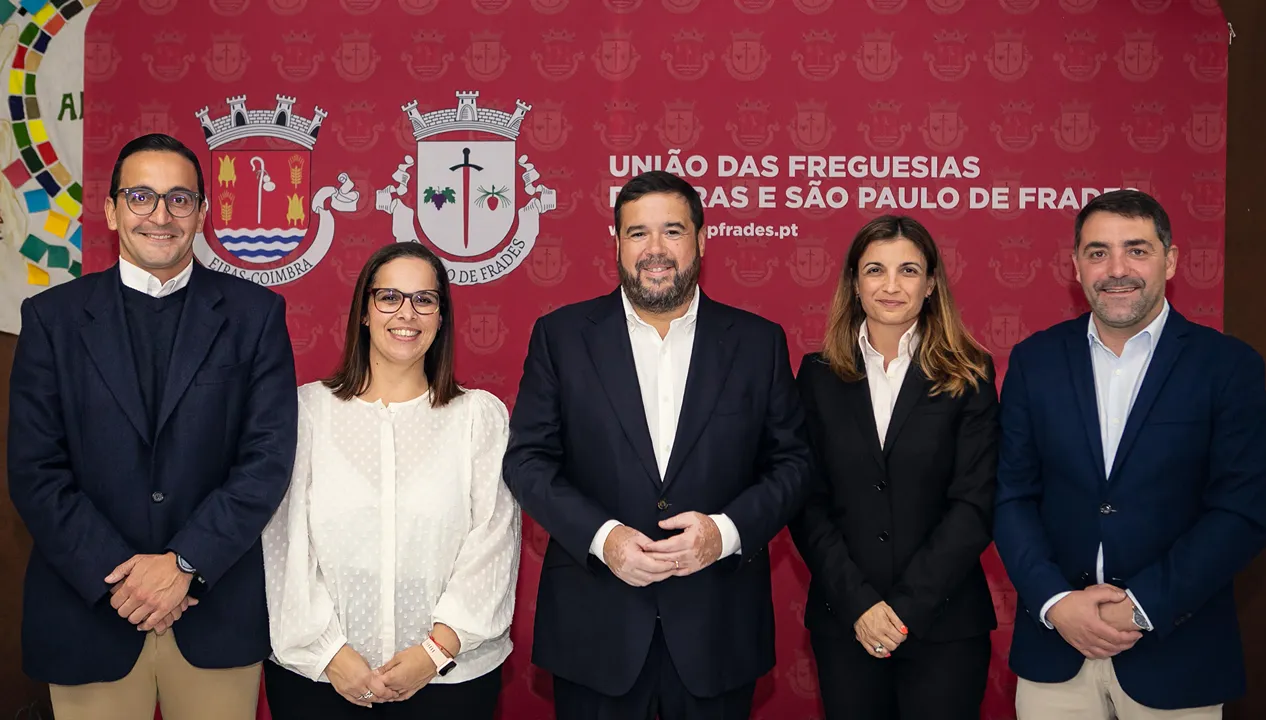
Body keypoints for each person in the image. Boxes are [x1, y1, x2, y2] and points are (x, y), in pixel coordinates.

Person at [6, 133, 298, 719]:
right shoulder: (51, 319)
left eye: (179, 199)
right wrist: (122, 579)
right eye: (141, 197)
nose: (160, 215)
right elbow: (36, 471)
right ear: (111, 210)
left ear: (203, 213)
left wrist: (185, 565)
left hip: (212, 613)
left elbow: (266, 459)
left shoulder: (255, 316)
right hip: (89, 612)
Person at [502, 170, 811, 720]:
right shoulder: (562, 337)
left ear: (702, 239)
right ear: (616, 243)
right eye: (638, 233)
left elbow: (792, 463)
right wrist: (605, 538)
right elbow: (528, 461)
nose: (655, 250)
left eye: (672, 230)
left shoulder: (758, 342)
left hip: (718, 630)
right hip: (596, 633)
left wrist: (725, 532)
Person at [994, 190, 1266, 719]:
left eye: (1137, 250)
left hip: (1177, 651)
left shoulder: (1228, 366)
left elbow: (1241, 513)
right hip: (1056, 651)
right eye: (1098, 252)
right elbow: (1012, 496)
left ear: (1170, 260)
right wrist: (1056, 603)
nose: (1116, 269)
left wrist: (1141, 607)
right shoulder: (1035, 361)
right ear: (1075, 265)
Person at [262, 241, 519, 719]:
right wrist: (331, 654)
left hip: (450, 680)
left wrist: (434, 653)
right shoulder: (304, 412)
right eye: (389, 297)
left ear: (441, 317)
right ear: (364, 311)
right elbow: (284, 547)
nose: (408, 313)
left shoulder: (477, 417)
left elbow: (494, 541)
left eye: (425, 299)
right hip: (319, 680)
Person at [789, 215, 999, 720]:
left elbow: (974, 503)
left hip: (946, 624)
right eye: (875, 270)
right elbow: (805, 501)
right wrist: (860, 605)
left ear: (930, 284)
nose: (890, 285)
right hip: (846, 624)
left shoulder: (970, 371)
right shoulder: (817, 376)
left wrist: (904, 609)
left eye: (908, 270)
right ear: (854, 284)